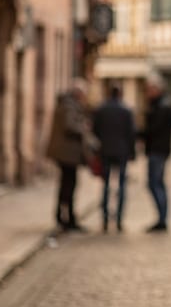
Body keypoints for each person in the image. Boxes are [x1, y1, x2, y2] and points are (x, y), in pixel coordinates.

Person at [46, 78, 94, 232]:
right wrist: (84, 127)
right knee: (68, 185)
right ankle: (66, 218)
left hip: (68, 153)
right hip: (67, 153)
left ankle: (66, 216)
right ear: (78, 93)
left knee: (68, 185)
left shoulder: (68, 104)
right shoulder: (69, 105)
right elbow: (70, 125)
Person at [92, 84, 136, 233]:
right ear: (120, 94)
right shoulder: (126, 111)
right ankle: (118, 219)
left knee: (106, 185)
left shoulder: (101, 110)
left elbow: (95, 131)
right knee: (121, 186)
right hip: (122, 152)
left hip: (105, 151)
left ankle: (104, 219)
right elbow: (131, 134)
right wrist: (132, 153)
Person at [140, 78, 171, 233]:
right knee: (157, 183)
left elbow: (153, 130)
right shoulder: (161, 105)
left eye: (150, 90)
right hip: (159, 150)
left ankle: (162, 219)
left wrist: (136, 133)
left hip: (158, 150)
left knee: (155, 183)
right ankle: (162, 218)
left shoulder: (162, 107)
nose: (148, 93)